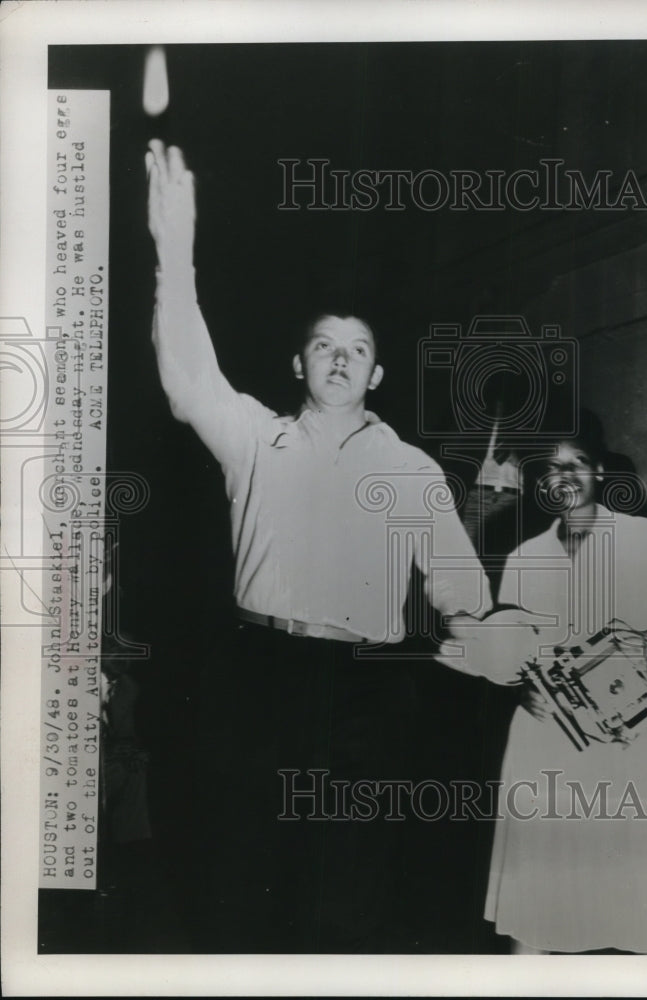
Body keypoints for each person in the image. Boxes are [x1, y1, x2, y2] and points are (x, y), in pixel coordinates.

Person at [144, 140, 492, 952]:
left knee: (350, 882)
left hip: (365, 693)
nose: (340, 359)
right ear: (298, 362)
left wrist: (497, 642)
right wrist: (173, 252)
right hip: (257, 675)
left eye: (358, 349)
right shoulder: (254, 440)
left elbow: (459, 588)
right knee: (241, 869)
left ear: (375, 376)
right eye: (326, 345)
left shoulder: (410, 469)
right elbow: (188, 376)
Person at [441, 412, 647, 954]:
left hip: (631, 730)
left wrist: (646, 641)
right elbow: (515, 645)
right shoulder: (522, 556)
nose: (564, 476)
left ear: (601, 471)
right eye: (551, 468)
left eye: (577, 463)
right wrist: (522, 687)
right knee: (537, 894)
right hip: (547, 733)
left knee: (635, 892)